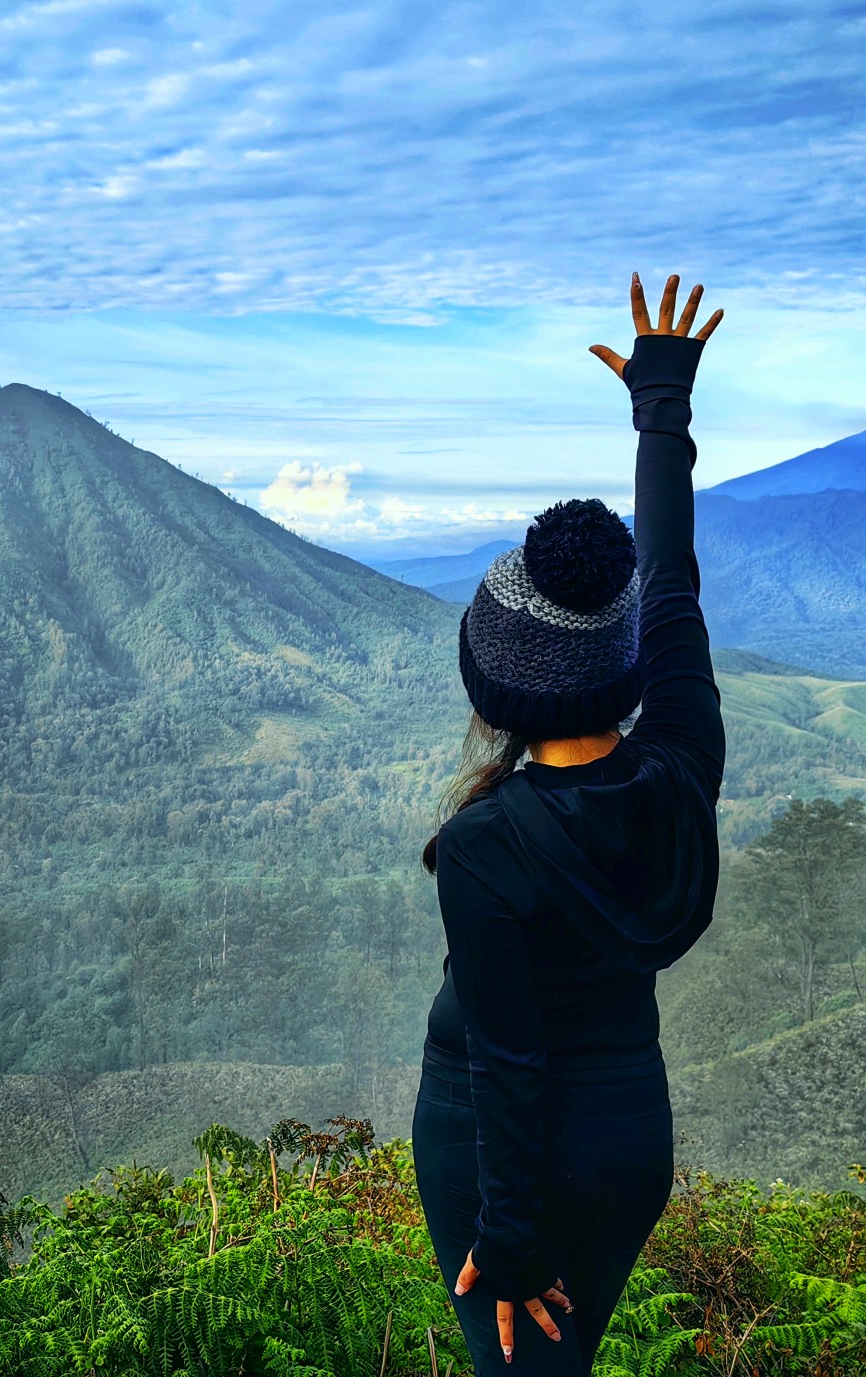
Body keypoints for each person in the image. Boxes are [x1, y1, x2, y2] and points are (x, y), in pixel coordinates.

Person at [412, 272, 726, 1373]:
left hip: (503, 1148)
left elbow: (505, 1057)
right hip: (632, 1132)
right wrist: (661, 403)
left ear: (496, 694)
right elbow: (671, 572)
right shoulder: (684, 755)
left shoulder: (487, 845)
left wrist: (509, 1240)